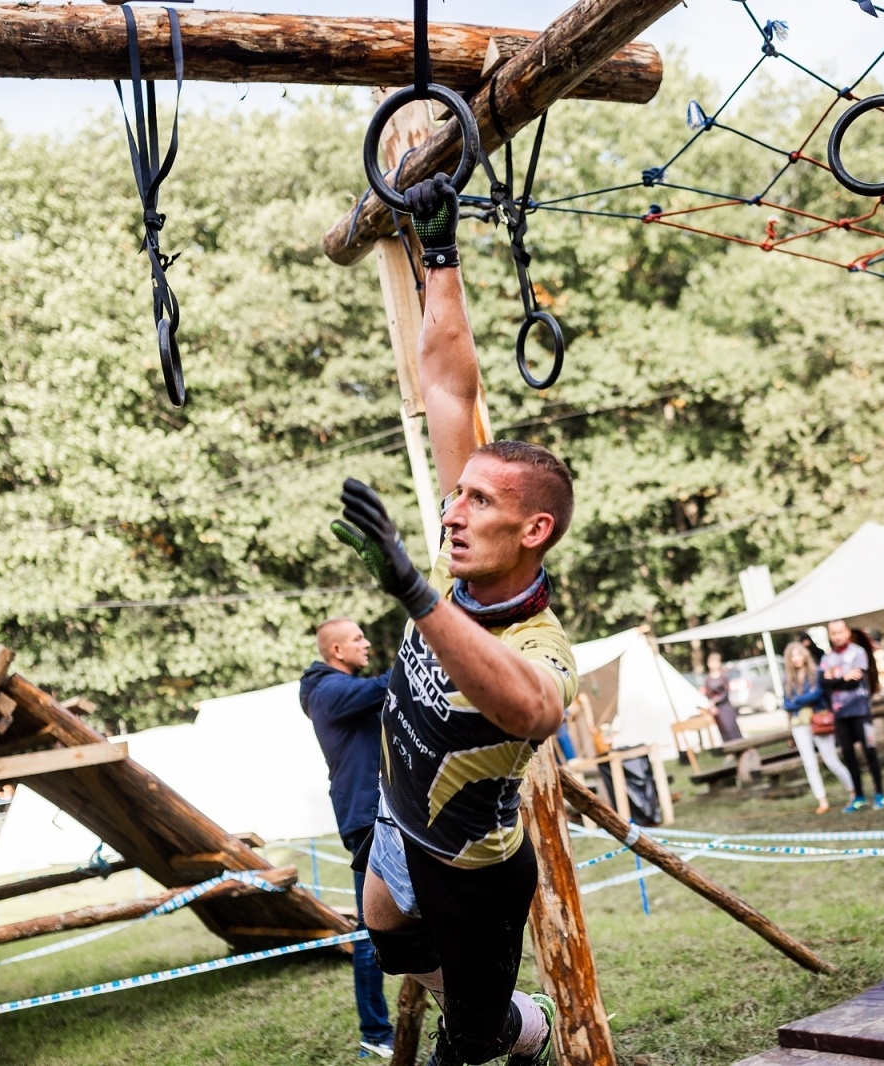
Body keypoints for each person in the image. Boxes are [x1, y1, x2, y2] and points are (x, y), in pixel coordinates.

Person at [328, 172, 577, 1066]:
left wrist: (417, 596)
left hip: (475, 873)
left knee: (471, 1045)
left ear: (533, 529)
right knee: (383, 920)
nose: (452, 510)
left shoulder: (536, 642)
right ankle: (498, 1015)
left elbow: (531, 711)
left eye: (477, 501)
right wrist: (440, 254)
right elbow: (444, 383)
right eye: (455, 495)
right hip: (401, 825)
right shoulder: (454, 565)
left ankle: (521, 1027)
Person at [299, 617, 395, 1059]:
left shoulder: (343, 692)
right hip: (365, 819)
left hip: (387, 813)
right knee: (371, 928)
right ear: (336, 650)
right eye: (358, 638)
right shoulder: (327, 693)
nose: (367, 644)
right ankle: (375, 1033)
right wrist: (430, 657)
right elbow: (384, 687)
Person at [781, 641, 855, 814]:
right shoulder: (788, 679)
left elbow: (816, 694)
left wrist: (797, 701)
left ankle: (853, 790)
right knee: (809, 763)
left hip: (818, 720)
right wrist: (798, 702)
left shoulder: (816, 673)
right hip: (799, 724)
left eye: (799, 654)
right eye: (793, 656)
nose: (797, 659)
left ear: (805, 656)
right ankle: (821, 799)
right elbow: (785, 703)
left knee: (831, 760)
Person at [821, 619, 884, 812]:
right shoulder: (827, 659)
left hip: (860, 712)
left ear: (848, 632)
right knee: (849, 756)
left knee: (870, 752)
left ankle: (879, 794)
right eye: (833, 633)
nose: (837, 636)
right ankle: (858, 796)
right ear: (830, 635)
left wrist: (835, 681)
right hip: (840, 715)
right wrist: (842, 678)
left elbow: (854, 683)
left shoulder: (858, 653)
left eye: (840, 632)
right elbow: (823, 684)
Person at [700, 652, 744, 742]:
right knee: (723, 730)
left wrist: (716, 700)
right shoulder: (708, 679)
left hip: (725, 706)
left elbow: (726, 692)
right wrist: (712, 704)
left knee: (731, 727)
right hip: (716, 709)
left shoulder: (723, 677)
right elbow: (708, 693)